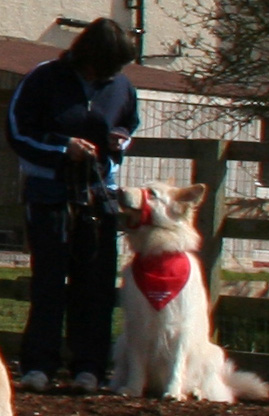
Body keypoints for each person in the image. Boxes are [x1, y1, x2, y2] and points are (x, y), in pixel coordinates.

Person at [6, 17, 139, 393]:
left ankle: (89, 367)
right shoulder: (43, 79)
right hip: (50, 194)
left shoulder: (121, 87)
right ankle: (39, 365)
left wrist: (120, 141)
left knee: (95, 284)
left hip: (98, 197)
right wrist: (64, 149)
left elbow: (130, 122)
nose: (113, 73)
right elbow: (18, 131)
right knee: (49, 282)